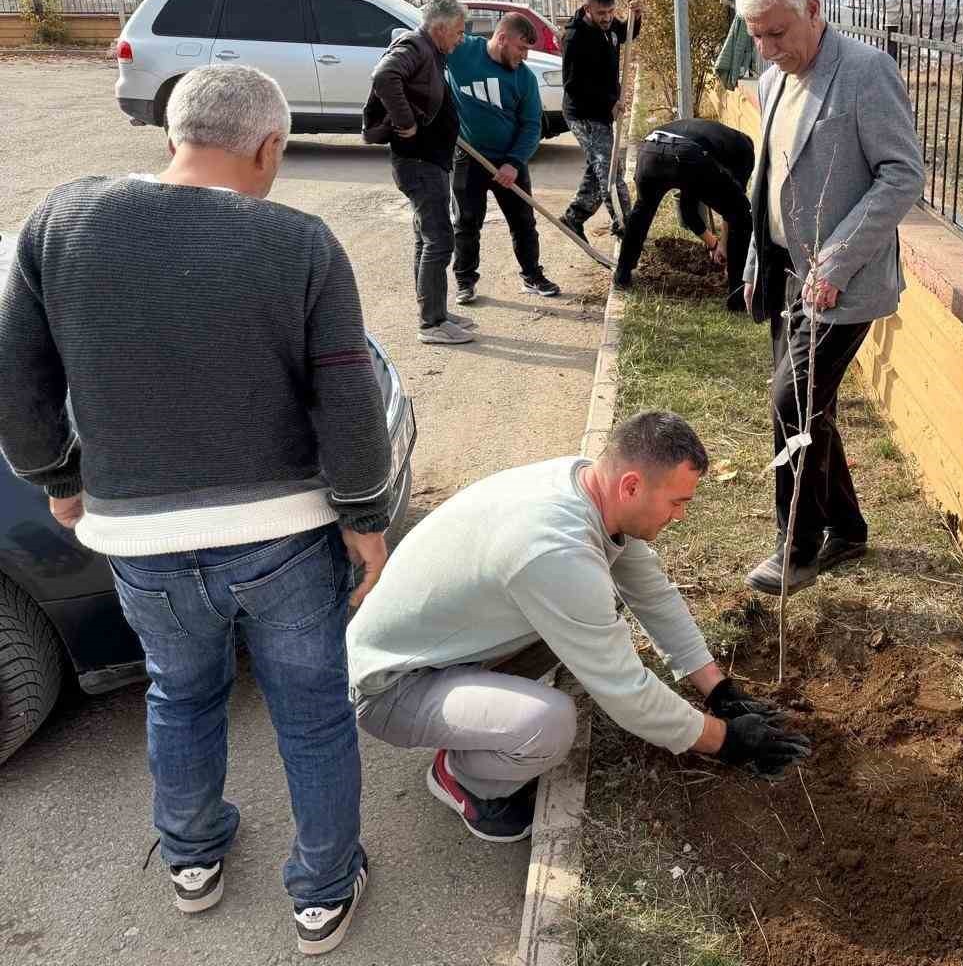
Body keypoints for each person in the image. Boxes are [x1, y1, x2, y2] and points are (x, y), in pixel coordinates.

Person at [0, 65, 393, 956]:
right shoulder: (299, 243)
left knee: (180, 693)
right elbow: (347, 399)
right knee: (313, 712)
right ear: (267, 146)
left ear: (173, 132)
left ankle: (192, 858)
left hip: (140, 542)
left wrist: (60, 479)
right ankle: (324, 892)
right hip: (285, 541)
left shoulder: (62, 221)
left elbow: (18, 382)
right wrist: (365, 517)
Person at [346, 411, 809, 842]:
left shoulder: (585, 484)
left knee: (590, 612)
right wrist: (727, 741)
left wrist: (717, 689)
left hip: (434, 646)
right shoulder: (555, 550)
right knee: (547, 724)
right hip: (390, 687)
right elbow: (625, 692)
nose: (680, 516)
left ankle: (478, 713)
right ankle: (464, 778)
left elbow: (651, 592)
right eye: (677, 502)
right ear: (631, 485)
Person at [736, 0, 925, 598]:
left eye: (776, 33)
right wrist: (760, 256)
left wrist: (837, 261)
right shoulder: (773, 81)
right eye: (755, 35)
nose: (764, 49)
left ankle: (798, 547)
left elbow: (902, 174)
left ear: (815, 10)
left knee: (792, 402)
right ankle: (848, 525)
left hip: (843, 281)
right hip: (789, 271)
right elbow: (772, 176)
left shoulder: (867, 74)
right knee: (812, 405)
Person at [365, 0, 476, 345]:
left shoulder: (431, 51)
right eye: (458, 32)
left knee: (425, 238)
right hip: (418, 161)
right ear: (440, 28)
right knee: (439, 240)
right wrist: (407, 123)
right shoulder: (415, 46)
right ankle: (431, 325)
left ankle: (435, 311)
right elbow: (384, 76)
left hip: (429, 160)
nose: (460, 40)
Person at [447, 11, 562, 304]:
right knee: (467, 221)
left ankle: (532, 275)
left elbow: (532, 126)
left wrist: (513, 162)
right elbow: (426, 49)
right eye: (521, 48)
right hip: (468, 156)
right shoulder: (462, 51)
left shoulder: (524, 79)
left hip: (509, 160)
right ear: (502, 39)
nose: (524, 56)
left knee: (523, 221)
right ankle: (465, 280)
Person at [613, 118, 755, 312]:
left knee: (642, 210)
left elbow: (688, 211)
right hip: (688, 154)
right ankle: (737, 298)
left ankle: (622, 273)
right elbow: (734, 210)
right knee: (743, 217)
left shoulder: (712, 136)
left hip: (650, 149)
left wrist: (715, 244)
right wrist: (726, 244)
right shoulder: (743, 151)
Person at [558, 0, 642, 243]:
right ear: (587, 9)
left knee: (599, 168)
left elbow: (626, 33)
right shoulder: (575, 39)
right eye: (601, 13)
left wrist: (636, 17)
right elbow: (574, 86)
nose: (607, 18)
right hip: (583, 115)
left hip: (602, 112)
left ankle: (574, 218)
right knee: (611, 174)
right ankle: (627, 230)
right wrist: (610, 102)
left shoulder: (609, 27)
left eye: (610, 12)